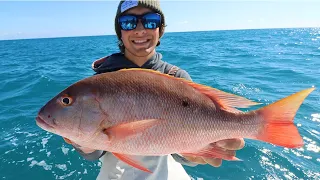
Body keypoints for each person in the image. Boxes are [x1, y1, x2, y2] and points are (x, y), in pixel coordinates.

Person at [68, 0, 245, 179]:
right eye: (128, 22)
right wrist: (82, 142)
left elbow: (179, 154)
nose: (140, 29)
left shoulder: (176, 77)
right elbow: (94, 154)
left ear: (160, 29)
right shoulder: (100, 83)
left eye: (150, 21)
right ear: (119, 32)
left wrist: (192, 155)